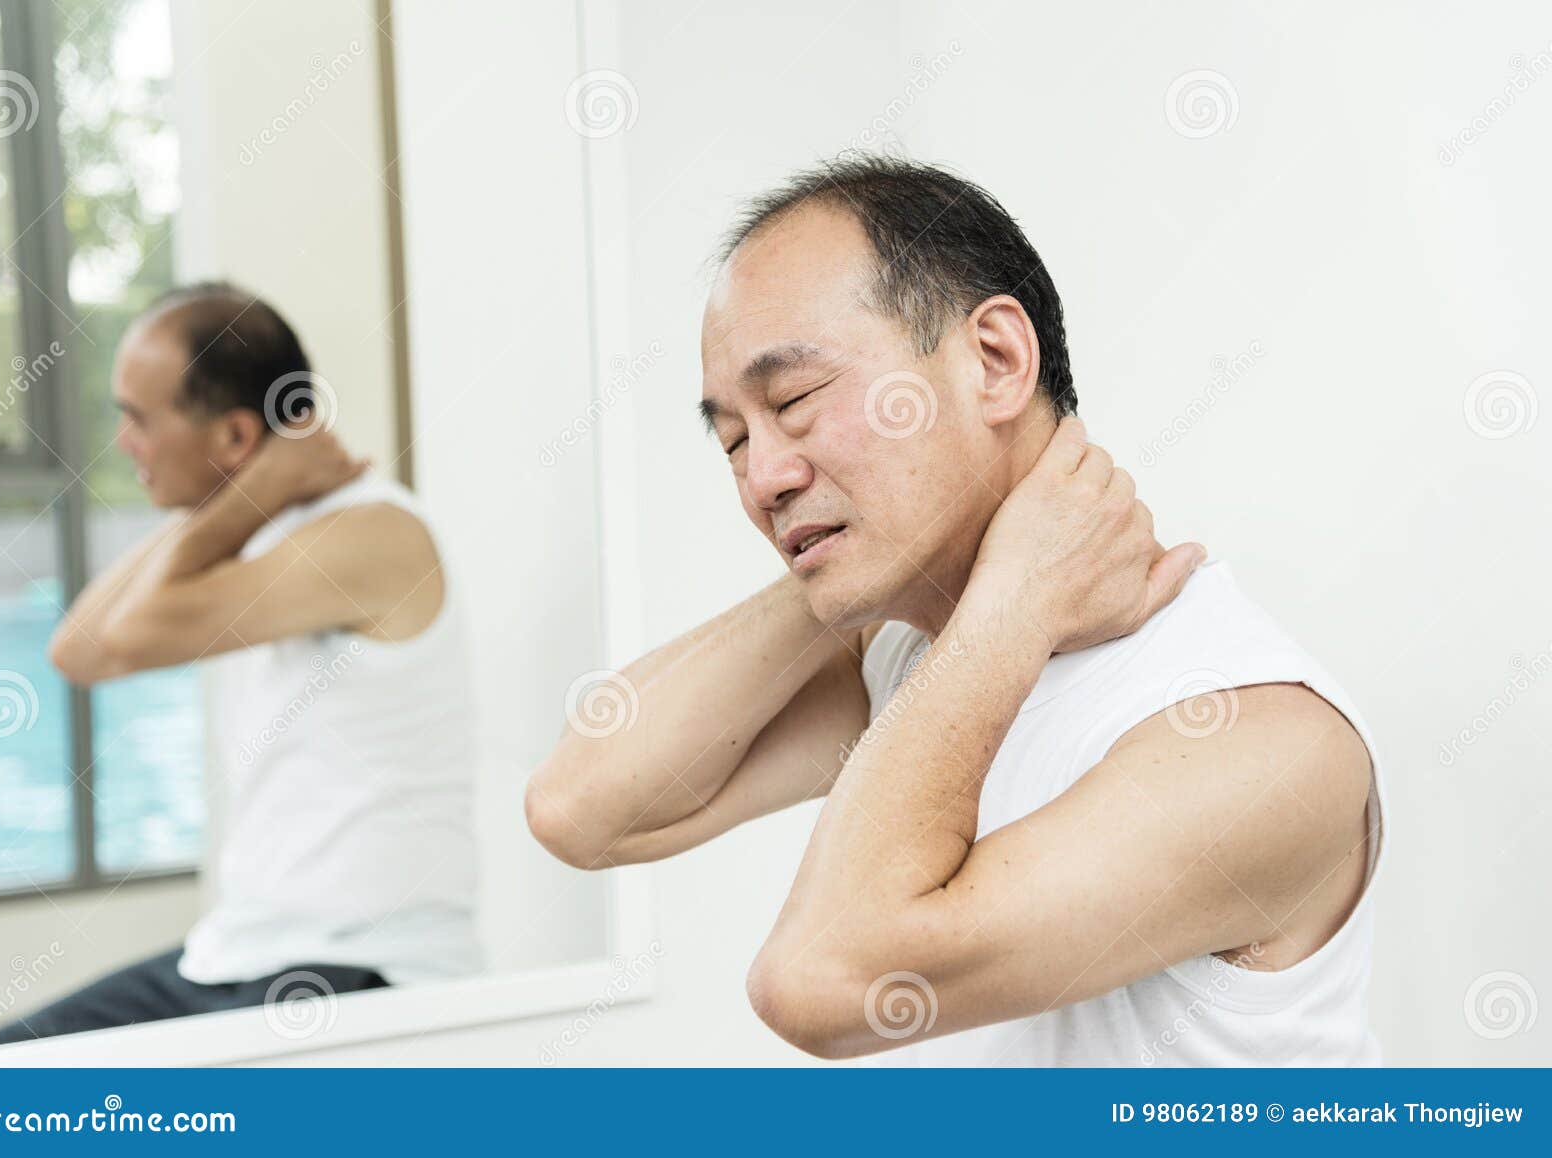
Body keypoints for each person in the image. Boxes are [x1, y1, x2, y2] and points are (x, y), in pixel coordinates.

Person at [526, 158, 1386, 1066]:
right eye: (735, 440)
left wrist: (1009, 603)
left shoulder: (1260, 735)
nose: (763, 479)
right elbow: (578, 806)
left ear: (996, 361)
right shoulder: (917, 652)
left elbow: (819, 982)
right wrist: (910, 572)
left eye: (795, 400)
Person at [0, 283, 481, 1047]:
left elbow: (131, 637)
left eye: (140, 419)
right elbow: (78, 649)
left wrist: (251, 494)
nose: (124, 443)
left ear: (238, 434)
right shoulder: (255, 528)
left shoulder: (374, 533)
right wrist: (249, 494)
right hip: (238, 953)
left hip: (364, 969)